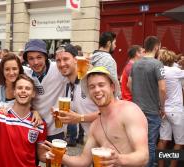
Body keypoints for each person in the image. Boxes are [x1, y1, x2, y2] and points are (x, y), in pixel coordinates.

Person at [46, 66, 148, 166]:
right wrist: (57, 155)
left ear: (112, 87)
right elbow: (83, 161)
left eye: (101, 85)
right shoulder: (95, 125)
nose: (97, 90)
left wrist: (118, 159)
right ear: (89, 93)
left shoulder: (129, 111)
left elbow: (143, 156)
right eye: (92, 87)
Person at [0, 53, 42, 167]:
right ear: (2, 70)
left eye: (14, 68)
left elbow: (30, 103)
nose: (11, 72)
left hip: (11, 138)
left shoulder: (23, 87)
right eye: (7, 69)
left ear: (20, 69)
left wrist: (35, 112)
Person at [128, 36, 166, 167]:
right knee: (150, 143)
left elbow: (129, 84)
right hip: (152, 111)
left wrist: (138, 95)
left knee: (137, 142)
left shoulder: (136, 63)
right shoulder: (157, 64)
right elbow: (162, 89)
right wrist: (162, 107)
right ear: (157, 47)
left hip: (137, 110)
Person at [54, 44, 99, 146]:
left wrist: (80, 118)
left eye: (66, 59)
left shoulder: (90, 80)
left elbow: (110, 111)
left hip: (113, 139)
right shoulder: (69, 85)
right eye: (58, 60)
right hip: (95, 140)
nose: (62, 64)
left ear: (75, 60)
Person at [23, 39, 68, 142]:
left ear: (45, 57)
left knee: (53, 158)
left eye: (39, 57)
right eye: (31, 58)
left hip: (55, 129)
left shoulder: (58, 69)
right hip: (33, 126)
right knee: (32, 158)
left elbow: (75, 73)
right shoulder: (26, 73)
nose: (35, 62)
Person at [157, 49, 184, 167]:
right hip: (176, 110)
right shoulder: (175, 71)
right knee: (179, 142)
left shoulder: (159, 71)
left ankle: (161, 165)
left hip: (164, 110)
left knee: (163, 140)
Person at [91, 31, 120, 97]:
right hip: (106, 99)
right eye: (114, 43)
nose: (115, 46)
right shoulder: (109, 60)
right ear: (109, 43)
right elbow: (114, 84)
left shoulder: (91, 58)